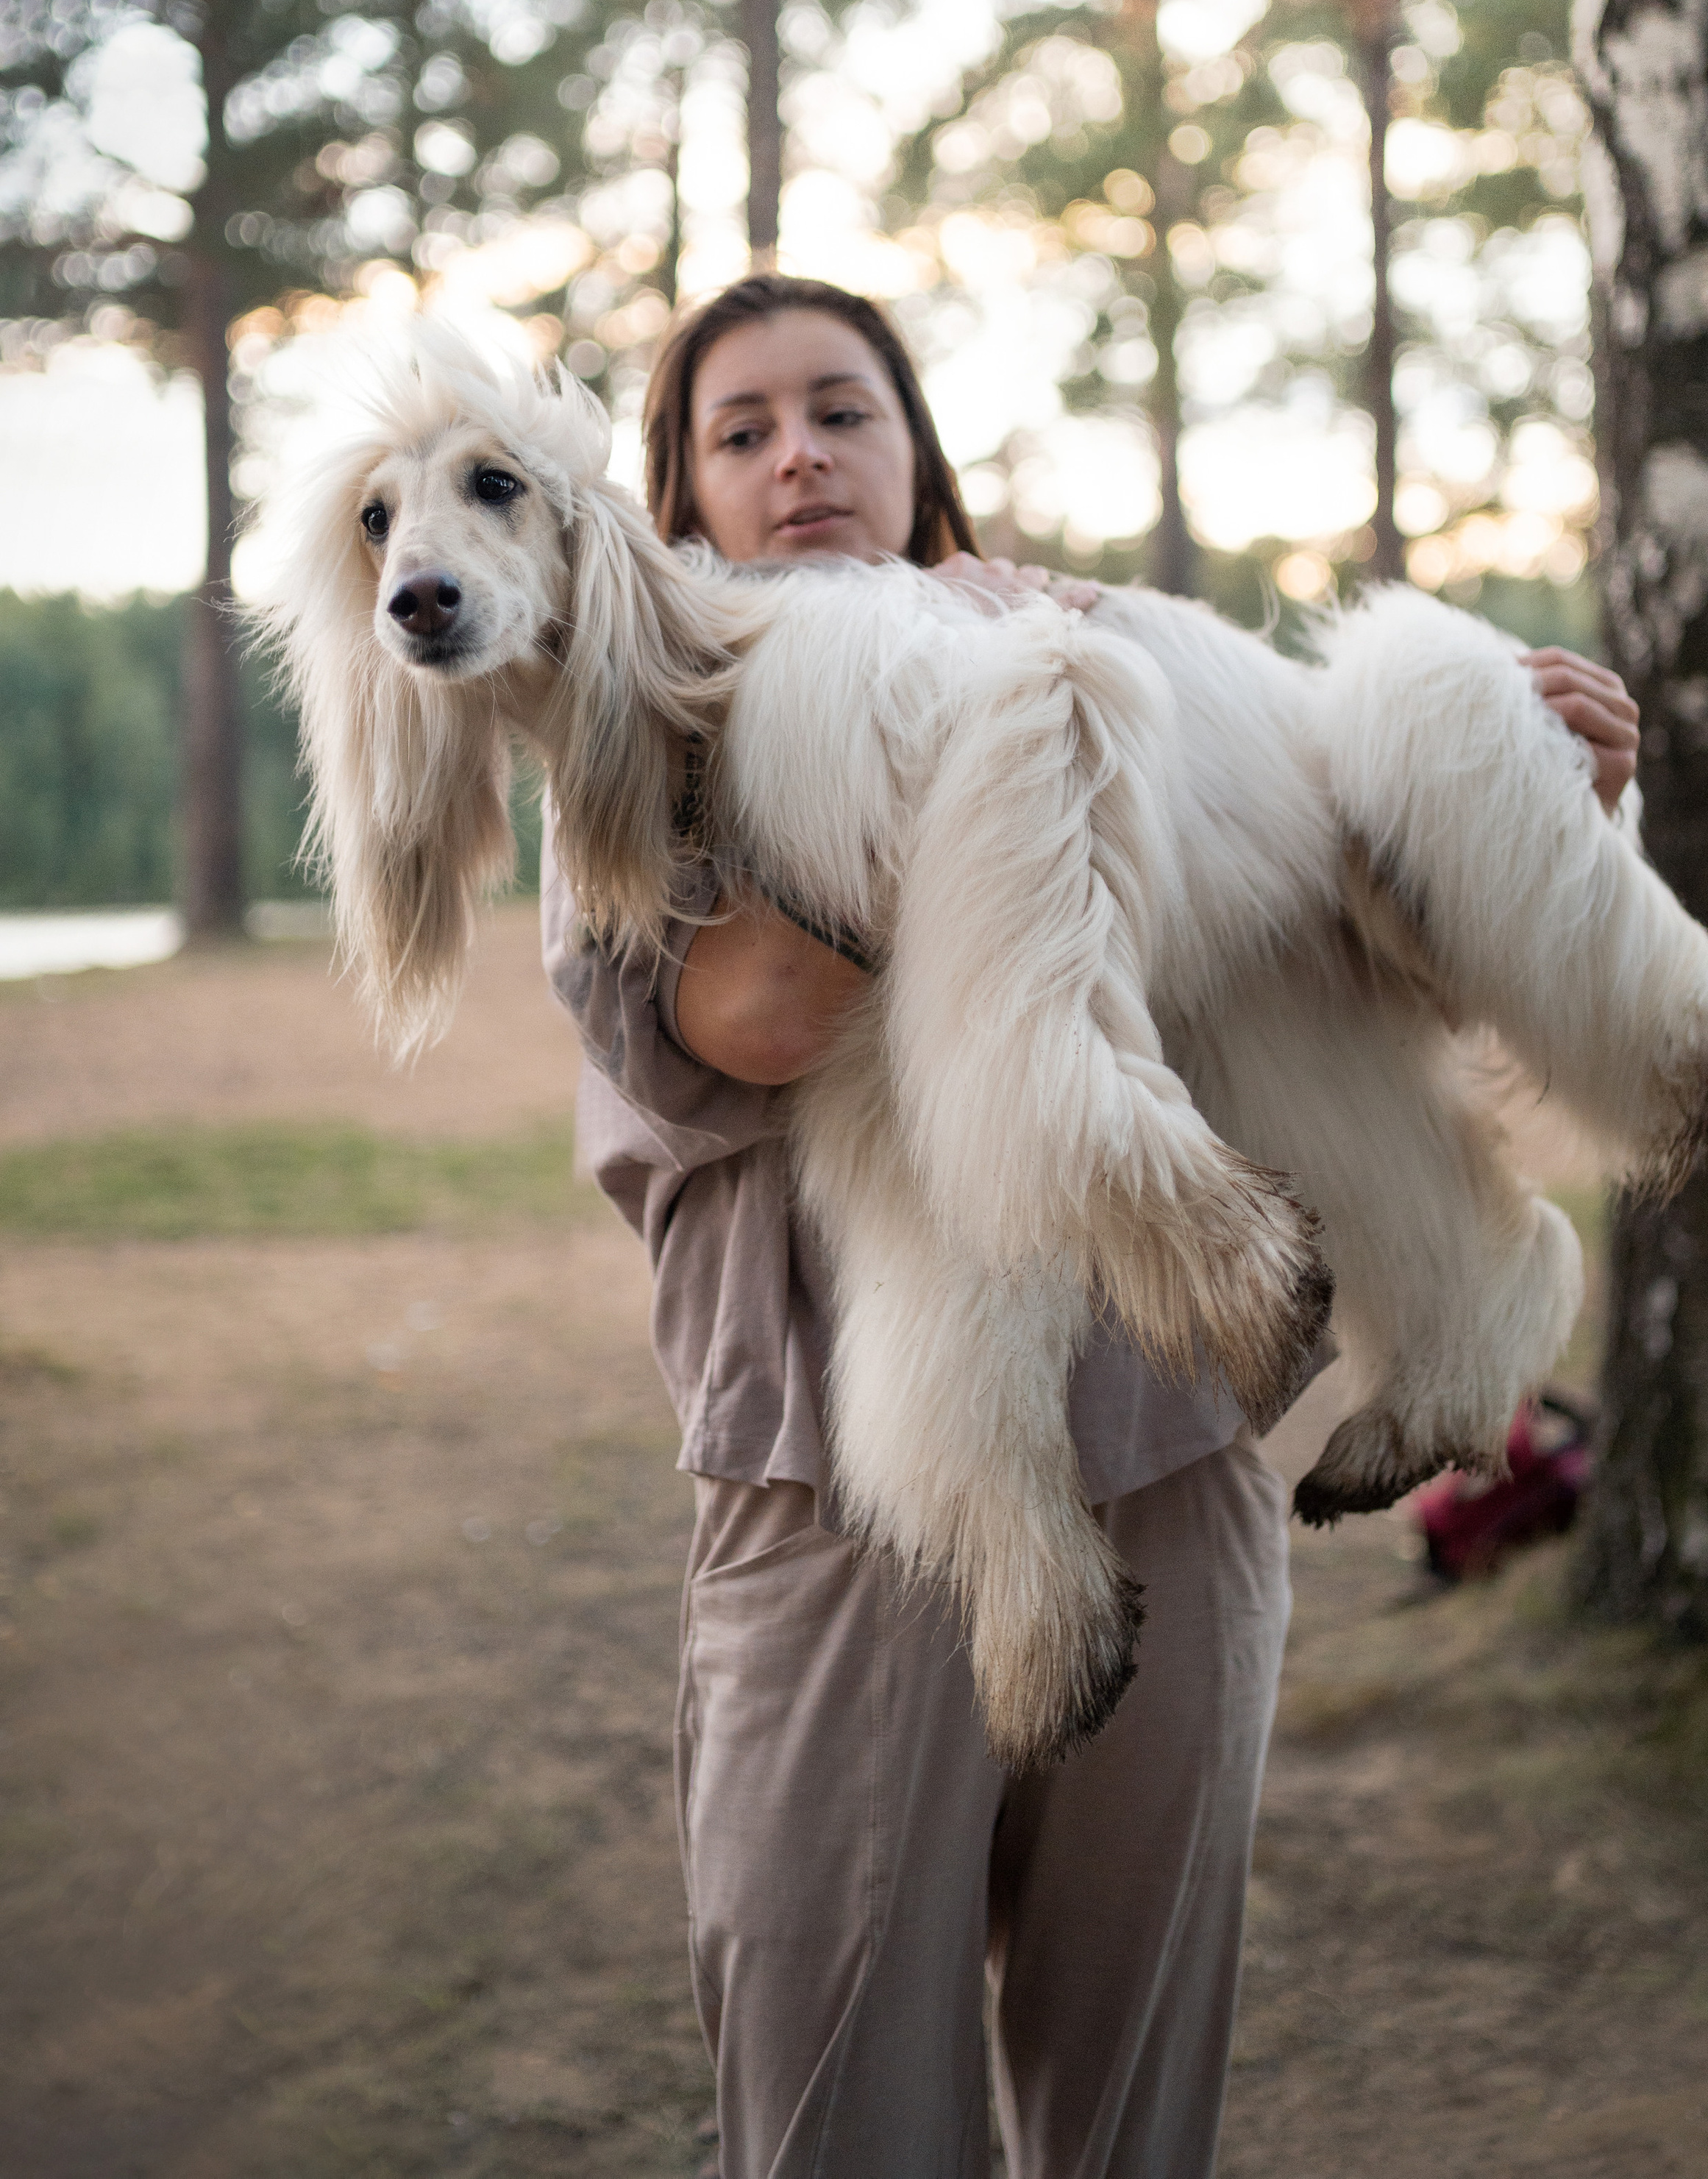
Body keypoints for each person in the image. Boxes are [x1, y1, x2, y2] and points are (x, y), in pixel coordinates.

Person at [539, 272, 1640, 2179]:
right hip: (842, 1516)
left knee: (1135, 2100)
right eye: (742, 431)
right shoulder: (636, 765)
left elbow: (1346, 955)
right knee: (836, 2120)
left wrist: (1530, 798)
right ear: (683, 507)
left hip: (1176, 1456)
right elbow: (760, 1018)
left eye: (842, 411)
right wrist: (966, 736)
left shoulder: (1114, 663)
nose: (798, 453)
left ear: (917, 459)